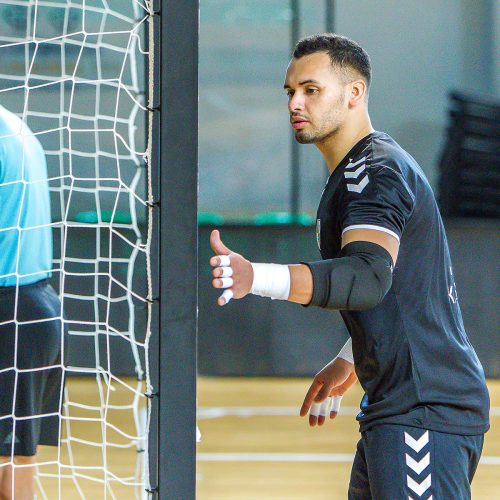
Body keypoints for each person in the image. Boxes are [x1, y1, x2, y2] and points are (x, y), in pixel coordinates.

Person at [209, 34, 489, 499]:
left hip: (425, 410)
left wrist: (256, 277)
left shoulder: (374, 172)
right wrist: (348, 358)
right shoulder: (360, 171)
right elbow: (401, 285)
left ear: (354, 93)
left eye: (311, 90)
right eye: (290, 92)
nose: (295, 102)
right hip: (399, 407)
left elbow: (368, 277)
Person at [0, 105, 62, 500]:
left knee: (13, 474)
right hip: (35, 307)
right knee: (16, 465)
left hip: (11, 314)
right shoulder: (16, 127)